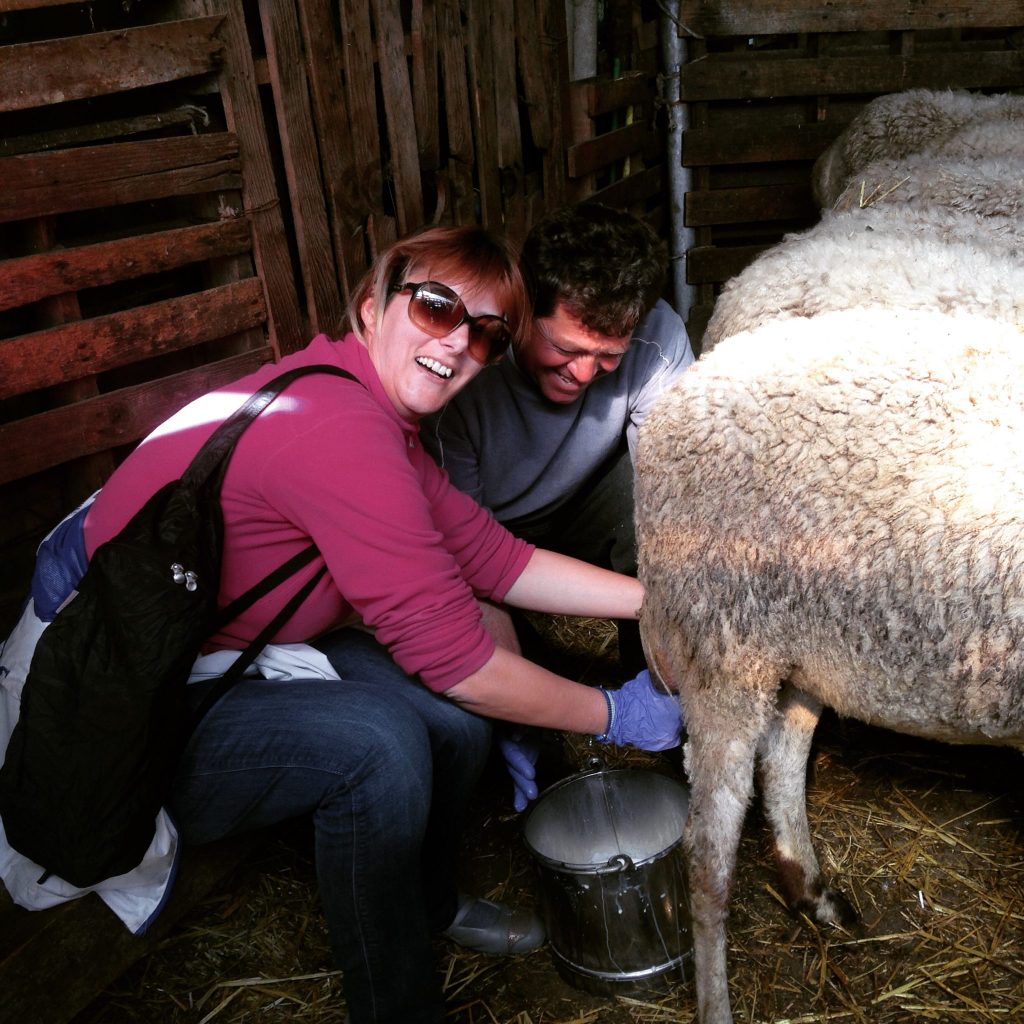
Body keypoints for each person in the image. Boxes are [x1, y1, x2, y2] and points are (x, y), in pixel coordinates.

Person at [0, 225, 683, 1024]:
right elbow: (458, 661)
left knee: (454, 728)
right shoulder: (337, 428)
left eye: (488, 333)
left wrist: (655, 599)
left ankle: (427, 904)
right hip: (103, 710)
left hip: (215, 659)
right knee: (376, 747)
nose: (460, 343)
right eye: (436, 308)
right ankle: (395, 1005)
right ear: (371, 305)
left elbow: (492, 559)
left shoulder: (365, 407)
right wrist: (614, 714)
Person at [421, 202, 695, 673]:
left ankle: (659, 691)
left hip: (583, 507)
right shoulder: (465, 371)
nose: (584, 373)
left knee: (656, 496)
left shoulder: (657, 337)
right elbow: (461, 548)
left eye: (609, 355)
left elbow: (680, 483)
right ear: (523, 308)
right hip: (489, 533)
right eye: (564, 347)